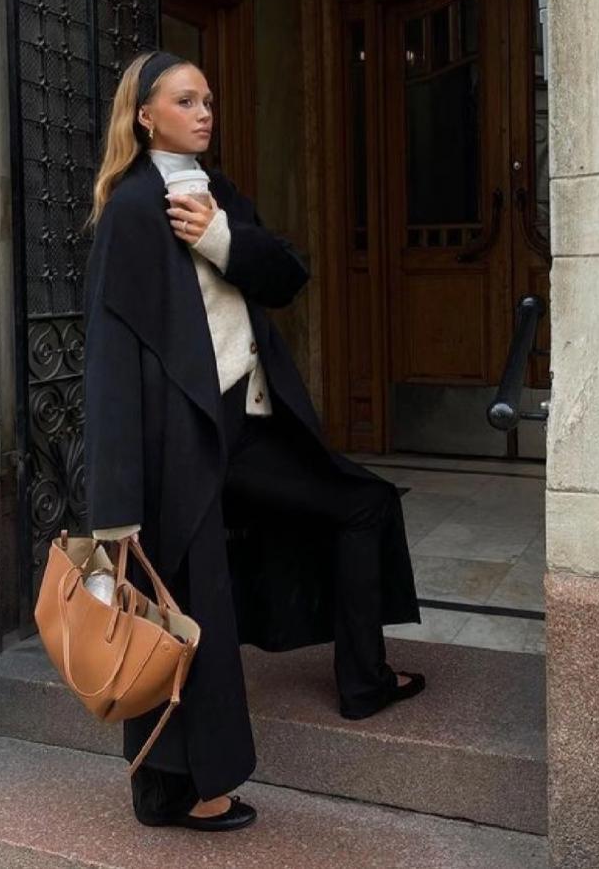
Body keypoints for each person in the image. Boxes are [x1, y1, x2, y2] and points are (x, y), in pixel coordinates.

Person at [83, 49, 425, 833]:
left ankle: (364, 679)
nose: (204, 111)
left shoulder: (212, 189)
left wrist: (220, 238)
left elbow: (286, 275)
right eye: (185, 100)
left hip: (250, 425)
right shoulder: (131, 207)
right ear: (144, 115)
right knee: (182, 609)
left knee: (363, 504)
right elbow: (110, 360)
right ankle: (175, 791)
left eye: (208, 99)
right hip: (182, 444)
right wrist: (115, 504)